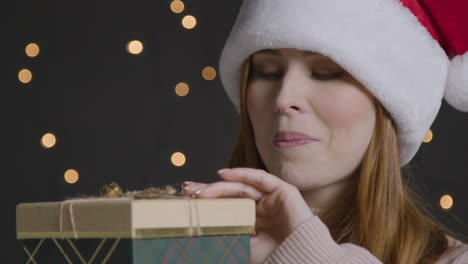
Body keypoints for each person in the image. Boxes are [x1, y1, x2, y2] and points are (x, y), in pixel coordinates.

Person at [182, 0, 468, 263]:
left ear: (388, 105)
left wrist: (304, 250)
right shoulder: (188, 248)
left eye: (325, 72)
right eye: (267, 71)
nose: (283, 99)